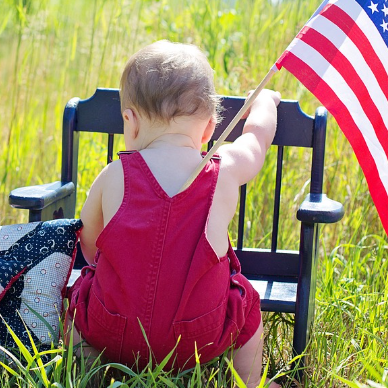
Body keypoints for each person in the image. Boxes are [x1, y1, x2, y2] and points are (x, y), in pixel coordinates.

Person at [65, 40, 281, 388]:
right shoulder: (224, 171)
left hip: (114, 330)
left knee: (79, 296)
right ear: (210, 129)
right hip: (199, 338)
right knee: (246, 300)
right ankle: (251, 382)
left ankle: (87, 371)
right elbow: (255, 140)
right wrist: (266, 101)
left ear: (130, 122)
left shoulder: (113, 176)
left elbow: (89, 246)